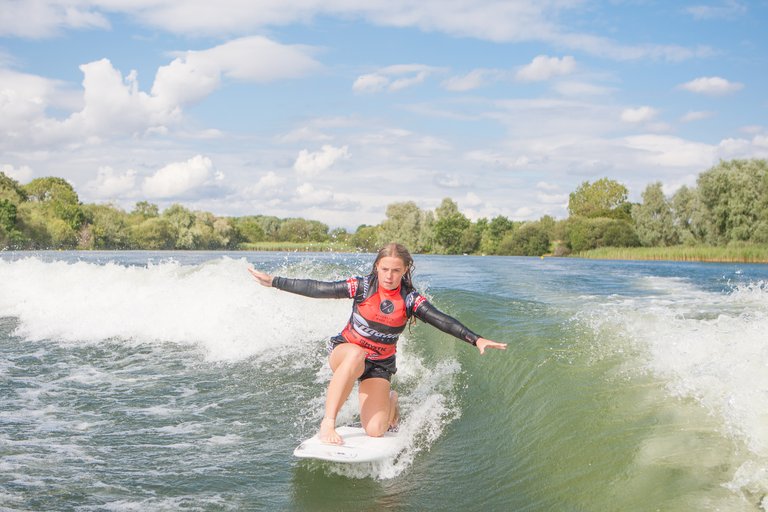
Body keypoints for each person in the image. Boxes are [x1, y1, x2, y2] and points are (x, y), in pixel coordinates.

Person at [248, 243, 507, 445]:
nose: (390, 276)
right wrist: (275, 282)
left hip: (380, 364)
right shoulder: (362, 286)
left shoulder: (410, 300)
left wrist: (476, 339)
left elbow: (442, 320)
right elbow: (319, 288)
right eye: (385, 269)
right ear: (377, 267)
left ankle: (391, 400)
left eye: (396, 270)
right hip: (346, 352)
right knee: (356, 355)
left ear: (405, 270)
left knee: (375, 431)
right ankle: (328, 422)